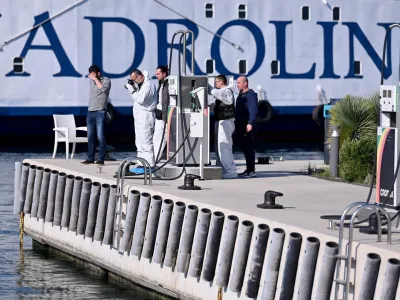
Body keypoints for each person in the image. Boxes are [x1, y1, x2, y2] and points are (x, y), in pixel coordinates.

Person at [124, 69, 157, 172]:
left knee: (146, 141)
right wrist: (134, 88)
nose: (134, 82)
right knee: (139, 142)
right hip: (140, 117)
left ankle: (149, 165)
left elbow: (140, 100)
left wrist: (132, 90)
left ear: (140, 76)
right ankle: (141, 163)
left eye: (135, 79)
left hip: (146, 116)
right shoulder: (142, 85)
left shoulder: (148, 85)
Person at [80, 64, 111, 165]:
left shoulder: (106, 80)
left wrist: (95, 78)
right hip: (90, 111)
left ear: (98, 73)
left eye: (93, 74)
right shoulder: (92, 81)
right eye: (90, 75)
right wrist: (93, 78)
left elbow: (103, 89)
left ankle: (101, 159)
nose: (91, 77)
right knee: (90, 136)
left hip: (100, 111)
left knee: (100, 136)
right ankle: (90, 158)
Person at [208, 75, 238, 179]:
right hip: (221, 121)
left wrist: (206, 86)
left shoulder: (226, 91)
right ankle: (222, 167)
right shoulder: (222, 93)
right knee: (219, 146)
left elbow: (216, 93)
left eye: (216, 82)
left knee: (224, 146)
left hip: (226, 122)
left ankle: (230, 171)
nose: (215, 84)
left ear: (221, 82)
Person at [235, 76, 258, 177]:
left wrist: (250, 123)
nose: (237, 84)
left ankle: (251, 170)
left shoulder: (250, 95)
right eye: (237, 83)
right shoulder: (240, 95)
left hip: (246, 125)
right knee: (243, 146)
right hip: (240, 125)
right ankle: (248, 168)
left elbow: (253, 109)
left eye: (239, 83)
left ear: (245, 83)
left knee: (248, 147)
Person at [153, 65, 169, 162]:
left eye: (158, 74)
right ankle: (155, 158)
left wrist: (166, 116)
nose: (156, 76)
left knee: (161, 138)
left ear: (164, 74)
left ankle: (156, 159)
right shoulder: (161, 84)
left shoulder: (168, 84)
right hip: (159, 114)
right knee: (157, 137)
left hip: (165, 115)